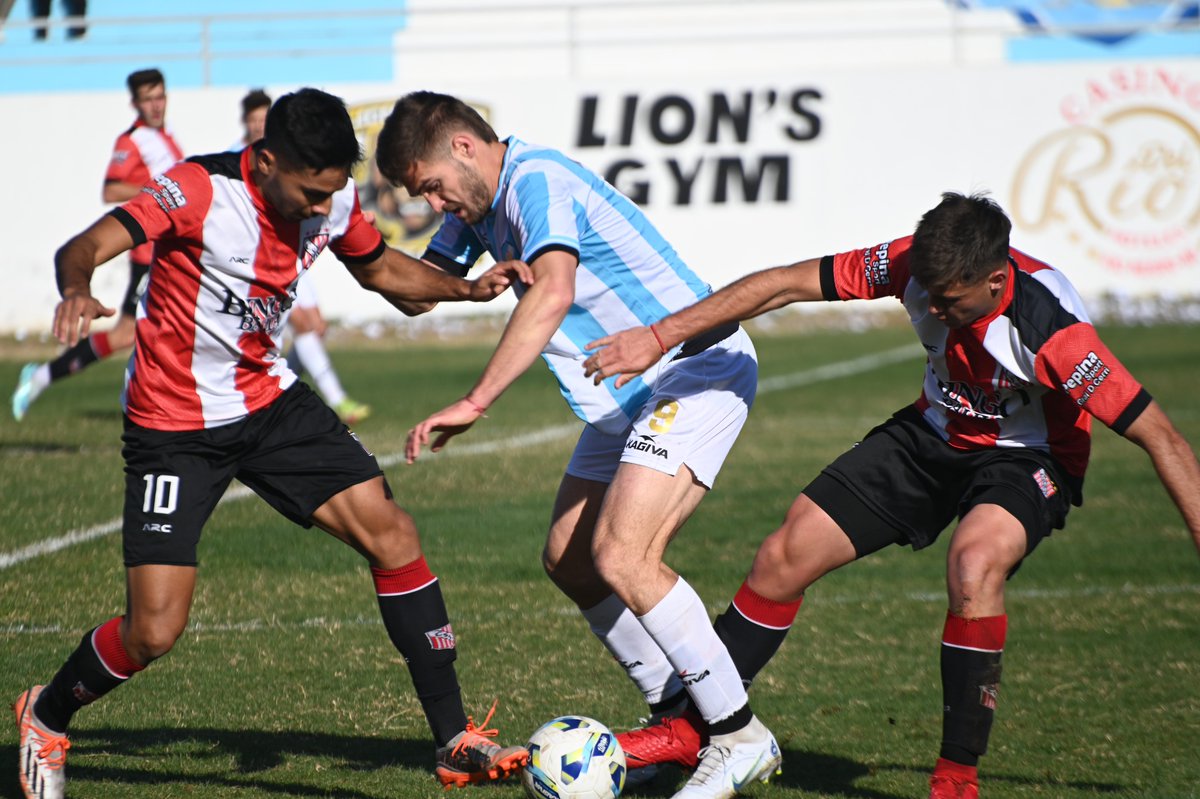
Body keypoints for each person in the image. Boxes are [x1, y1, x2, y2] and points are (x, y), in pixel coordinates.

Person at [582, 192, 1200, 799]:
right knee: (784, 553)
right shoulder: (913, 264)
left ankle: (955, 778)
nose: (932, 307)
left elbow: (1164, 440)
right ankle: (694, 730)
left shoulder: (1054, 331)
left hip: (1031, 456)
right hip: (935, 431)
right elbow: (783, 285)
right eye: (927, 292)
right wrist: (659, 335)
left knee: (974, 563)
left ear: (995, 281)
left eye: (949, 300)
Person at [12, 88, 533, 799]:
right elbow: (84, 246)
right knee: (154, 630)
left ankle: (453, 739)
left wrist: (466, 290)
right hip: (174, 426)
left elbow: (382, 270)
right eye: (311, 193)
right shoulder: (198, 189)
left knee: (394, 534)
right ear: (264, 162)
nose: (324, 208)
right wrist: (76, 288)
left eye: (332, 193)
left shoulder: (332, 200)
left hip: (268, 402)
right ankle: (46, 714)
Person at [375, 91, 779, 799]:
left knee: (623, 553)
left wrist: (476, 399)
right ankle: (678, 721)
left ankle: (738, 735)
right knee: (571, 558)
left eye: (433, 186)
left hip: (692, 365)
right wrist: (456, 282)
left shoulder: (536, 181)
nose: (435, 204)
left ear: (464, 147)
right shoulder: (477, 207)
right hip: (627, 393)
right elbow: (416, 293)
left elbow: (553, 291)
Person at [12, 68, 184, 422]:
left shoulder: (166, 138)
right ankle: (47, 376)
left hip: (169, 251)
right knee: (130, 333)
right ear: (135, 103)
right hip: (148, 254)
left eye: (160, 97)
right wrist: (159, 193)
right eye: (148, 99)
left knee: (158, 330)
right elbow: (111, 189)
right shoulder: (131, 141)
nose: (156, 105)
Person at [234, 87, 372, 425]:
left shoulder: (299, 160)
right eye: (253, 121)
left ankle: (279, 395)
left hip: (295, 256)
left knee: (316, 327)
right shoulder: (236, 162)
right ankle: (336, 399)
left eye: (264, 120)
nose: (259, 126)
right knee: (303, 326)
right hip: (259, 263)